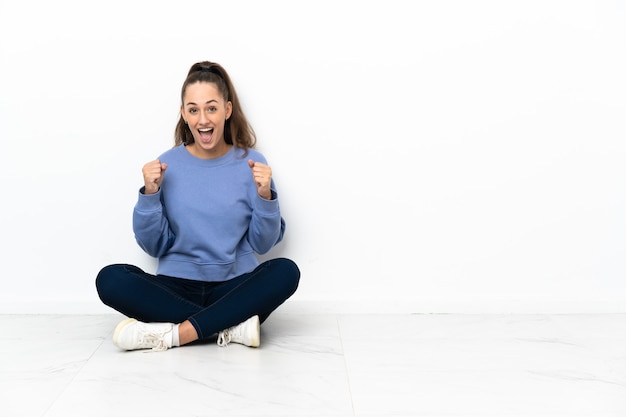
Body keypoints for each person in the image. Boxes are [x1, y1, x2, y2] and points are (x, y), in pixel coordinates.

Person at [96, 61, 300, 352]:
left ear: (227, 110)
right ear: (184, 114)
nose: (203, 119)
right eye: (193, 109)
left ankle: (176, 335)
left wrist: (266, 196)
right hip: (175, 287)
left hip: (234, 285)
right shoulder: (167, 164)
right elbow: (154, 247)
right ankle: (229, 326)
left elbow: (263, 244)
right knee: (111, 279)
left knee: (285, 271)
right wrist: (150, 194)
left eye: (211, 108)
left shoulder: (252, 163)